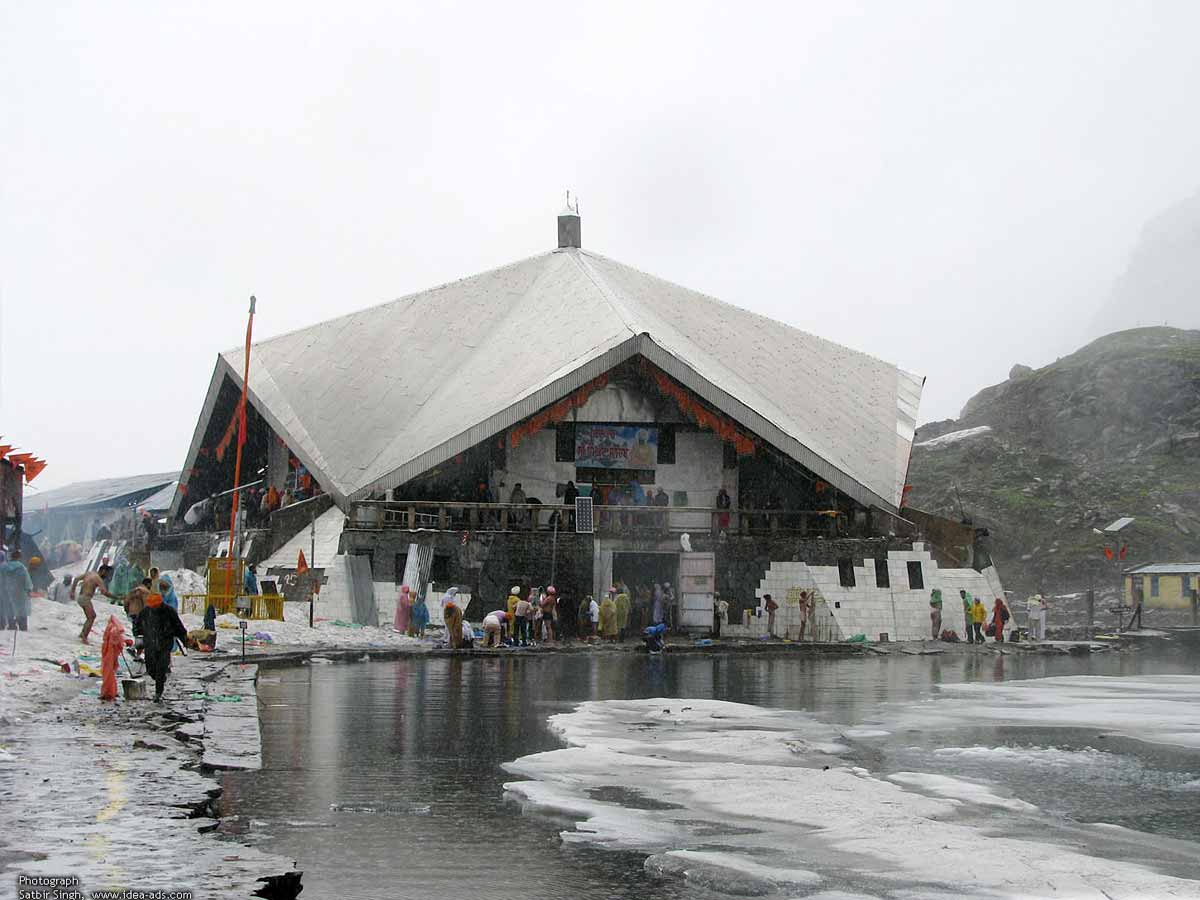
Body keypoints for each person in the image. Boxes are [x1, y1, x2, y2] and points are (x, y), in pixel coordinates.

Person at [139, 589, 188, 702]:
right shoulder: (145, 612)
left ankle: (158, 693)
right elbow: (137, 624)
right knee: (151, 669)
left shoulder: (169, 611)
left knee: (161, 668)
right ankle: (159, 679)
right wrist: (138, 635)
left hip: (165, 644)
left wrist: (184, 639)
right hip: (150, 644)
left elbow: (178, 626)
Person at [71, 564, 116, 644]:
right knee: (91, 617)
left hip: (81, 597)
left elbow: (76, 579)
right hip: (85, 598)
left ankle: (82, 634)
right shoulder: (98, 579)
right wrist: (117, 597)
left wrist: (72, 591)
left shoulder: (89, 573)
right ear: (103, 571)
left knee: (90, 617)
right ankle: (84, 637)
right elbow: (104, 592)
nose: (107, 576)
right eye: (107, 573)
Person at [0, 550, 34, 631]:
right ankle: (23, 627)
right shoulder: (22, 568)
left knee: (9, 609)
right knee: (21, 610)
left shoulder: (4, 567)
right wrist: (29, 589)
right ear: (19, 558)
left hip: (6, 592)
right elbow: (27, 581)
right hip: (20, 593)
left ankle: (11, 626)